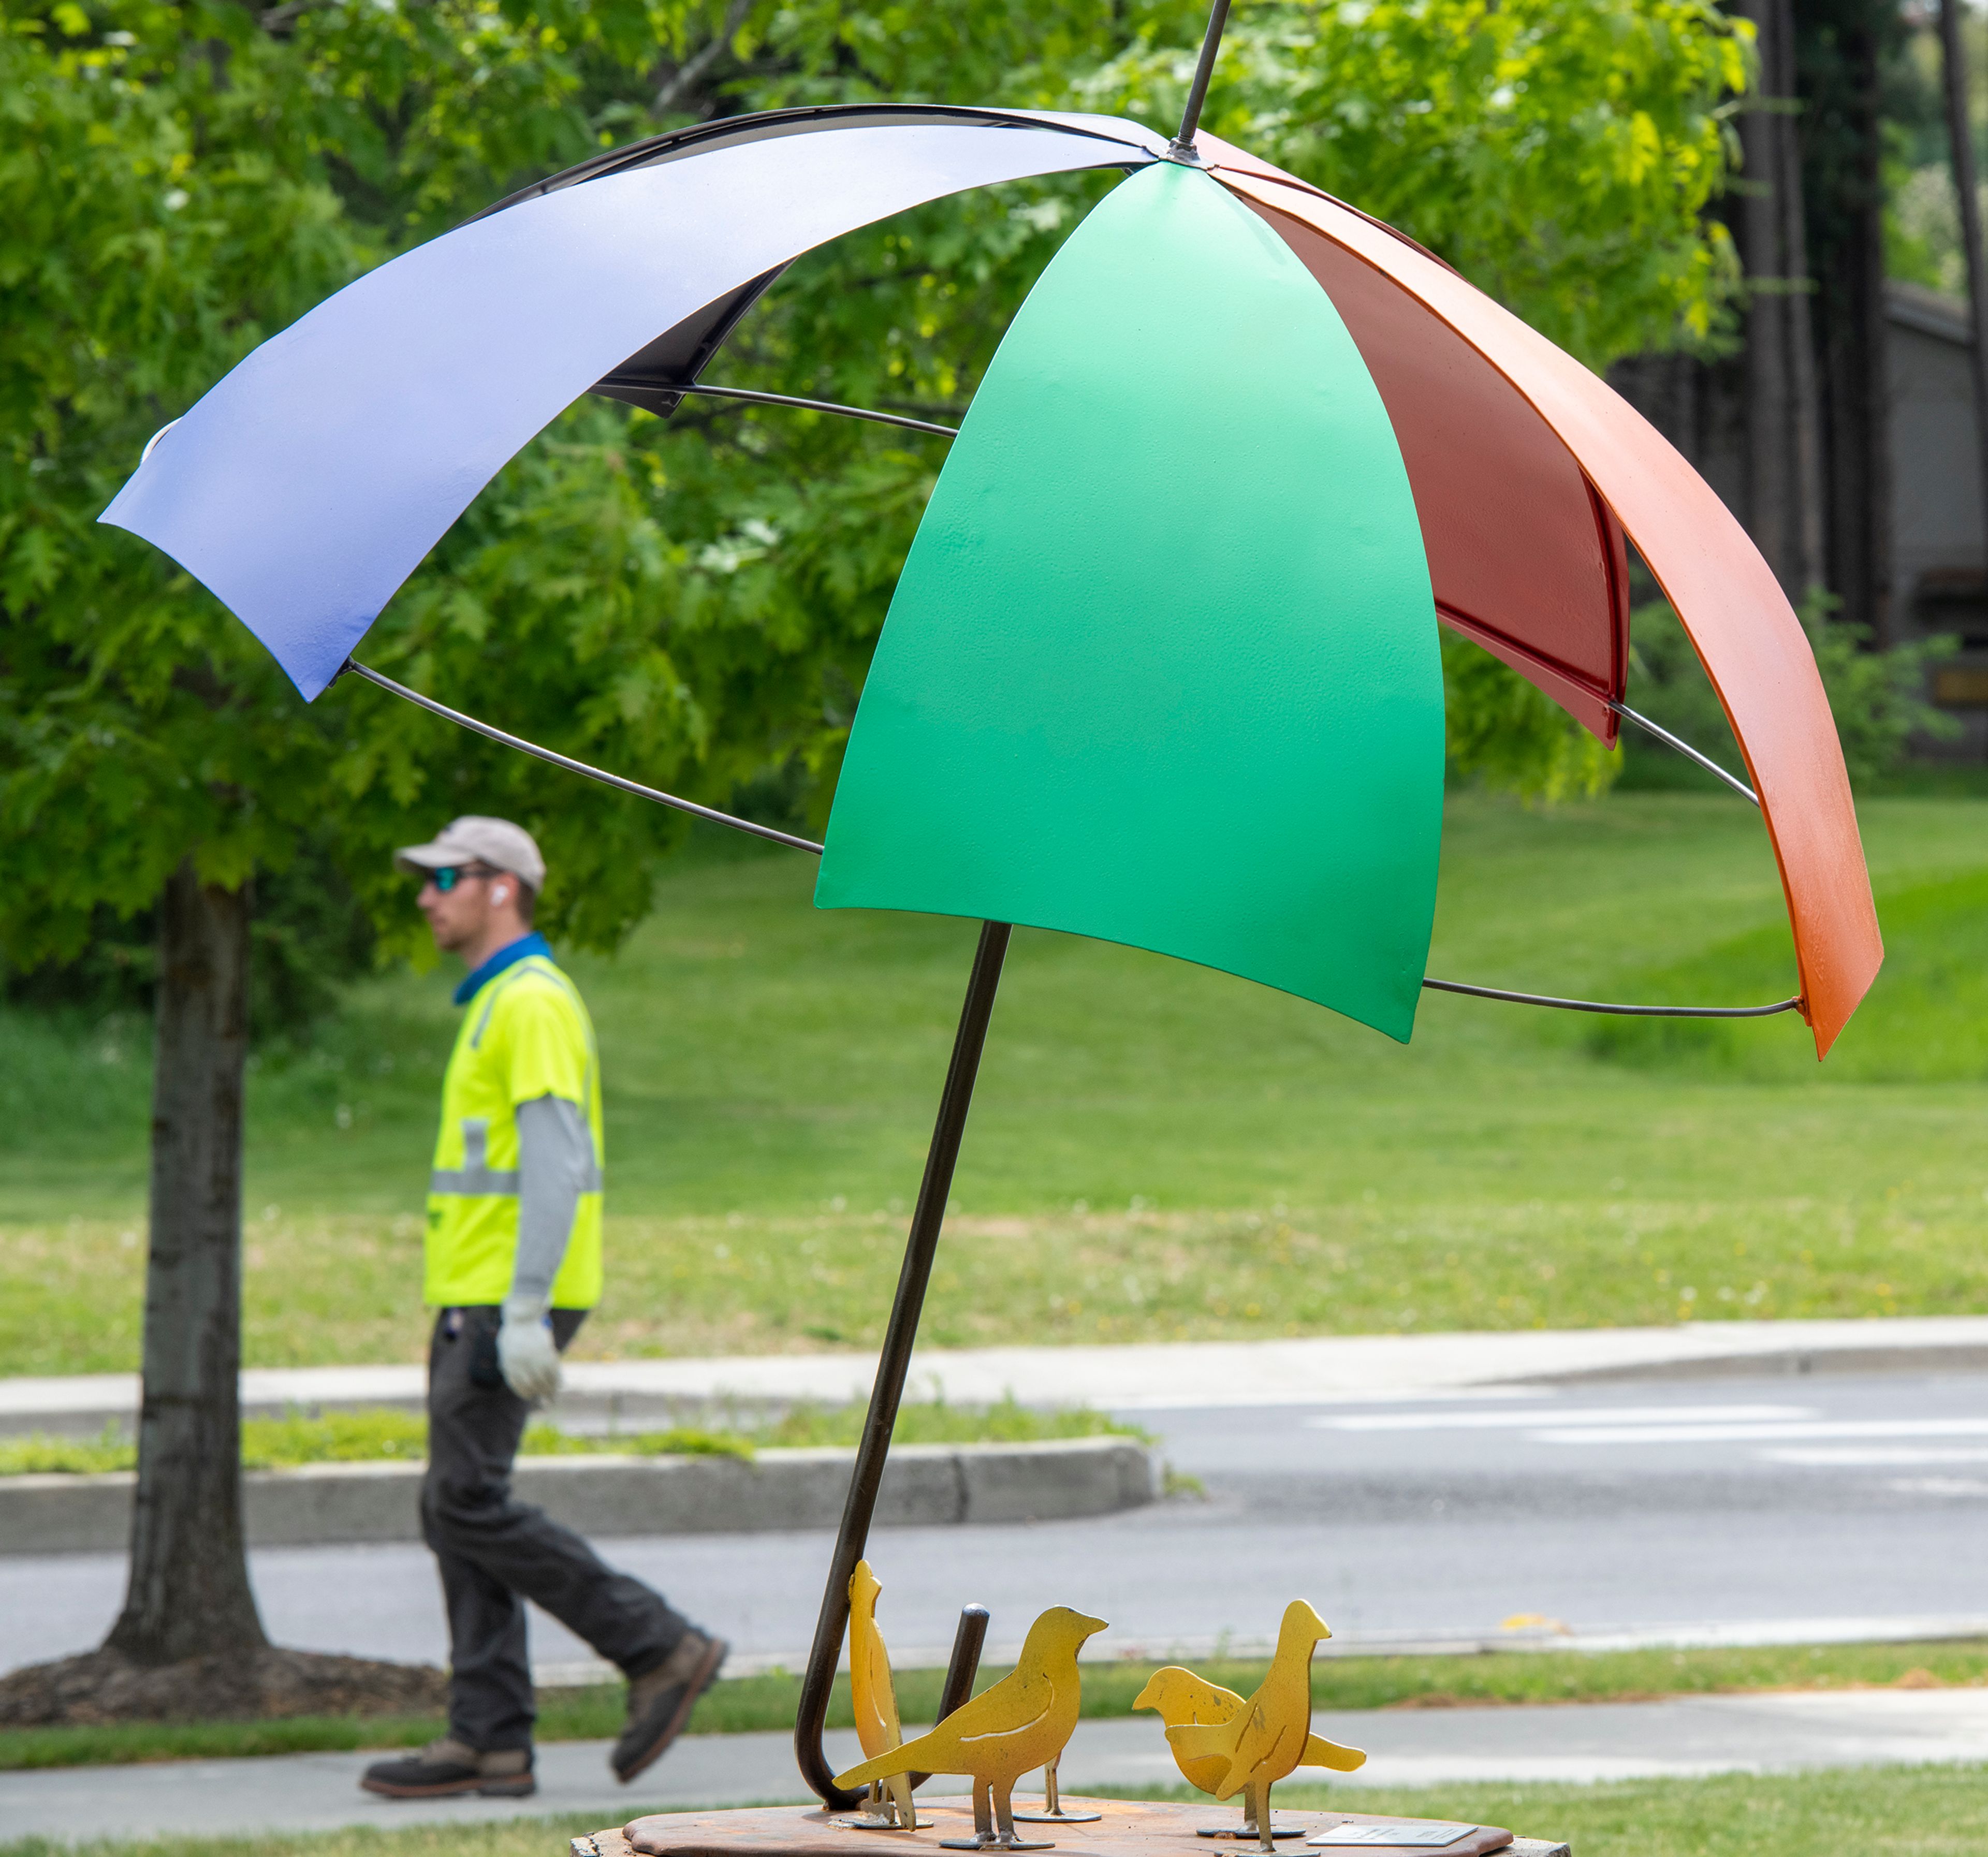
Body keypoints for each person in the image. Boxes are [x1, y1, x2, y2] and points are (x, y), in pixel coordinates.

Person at [360, 815, 726, 1801]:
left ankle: (660, 1646)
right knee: (454, 1509)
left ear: (501, 888)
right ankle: (489, 1739)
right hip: (478, 1297)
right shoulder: (497, 1002)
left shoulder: (531, 1001)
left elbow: (559, 1159)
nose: (427, 894)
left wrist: (523, 1309)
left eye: (444, 875)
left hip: (505, 1301)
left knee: (465, 1501)